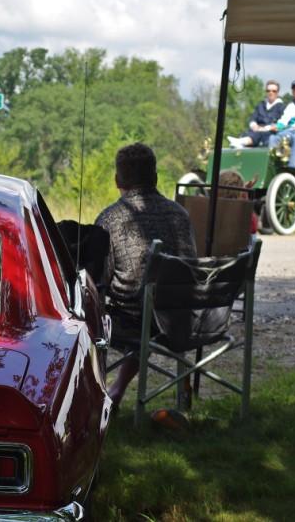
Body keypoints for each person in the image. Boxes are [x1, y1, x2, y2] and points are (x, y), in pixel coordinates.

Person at [95, 142, 197, 407]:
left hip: (130, 321)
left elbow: (101, 280)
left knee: (92, 310)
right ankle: (118, 388)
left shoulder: (109, 219)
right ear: (155, 177)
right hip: (179, 318)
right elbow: (191, 266)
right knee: (150, 305)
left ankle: (98, 394)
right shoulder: (180, 215)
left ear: (118, 180)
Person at [226, 80, 285, 148]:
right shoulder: (261, 105)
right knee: (246, 133)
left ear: (277, 93)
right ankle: (241, 142)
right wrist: (254, 125)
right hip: (255, 131)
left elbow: (281, 125)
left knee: (259, 134)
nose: (271, 93)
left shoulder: (282, 107)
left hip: (269, 134)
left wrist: (266, 128)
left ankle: (241, 142)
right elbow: (253, 118)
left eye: (274, 91)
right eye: (268, 91)